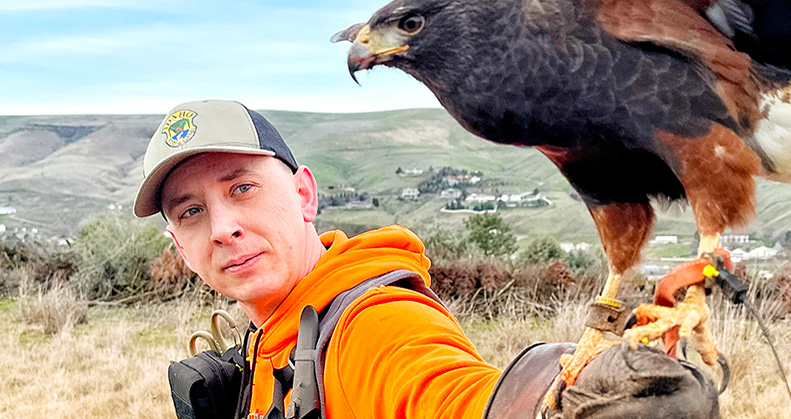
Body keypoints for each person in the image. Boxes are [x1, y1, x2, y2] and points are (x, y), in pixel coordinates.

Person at [135, 99, 718, 419]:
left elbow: (447, 394)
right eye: (190, 212)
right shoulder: (274, 331)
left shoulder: (375, 326)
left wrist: (550, 406)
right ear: (180, 249)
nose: (224, 227)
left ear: (305, 195)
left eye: (242, 188)